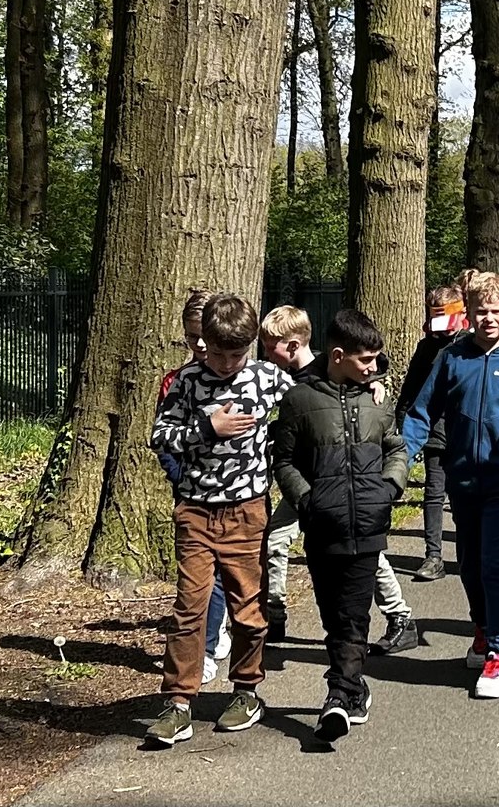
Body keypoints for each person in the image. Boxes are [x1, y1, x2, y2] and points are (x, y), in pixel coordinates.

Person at [145, 293, 293, 745]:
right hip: (195, 510)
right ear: (202, 342)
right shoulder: (187, 380)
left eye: (238, 354)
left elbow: (311, 400)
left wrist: (370, 386)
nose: (228, 363)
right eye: (219, 352)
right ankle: (177, 704)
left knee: (248, 610)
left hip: (247, 512)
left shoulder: (268, 378)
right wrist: (208, 429)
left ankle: (246, 690)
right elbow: (160, 434)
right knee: (188, 609)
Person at [403, 269, 499, 699]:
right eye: (480, 311)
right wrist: (400, 459)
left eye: (496, 311)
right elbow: (421, 411)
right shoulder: (452, 358)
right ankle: (482, 629)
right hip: (463, 482)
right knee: (468, 565)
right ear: (467, 314)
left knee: (495, 565)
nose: (488, 318)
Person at [271, 309, 408, 742]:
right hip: (323, 527)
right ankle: (355, 690)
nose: (373, 367)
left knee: (353, 616)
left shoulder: (376, 400)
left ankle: (337, 695)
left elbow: (398, 449)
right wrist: (307, 502)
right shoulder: (299, 401)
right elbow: (285, 461)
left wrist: (389, 489)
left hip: (368, 524)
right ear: (337, 355)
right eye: (366, 359)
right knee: (334, 617)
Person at [158, 293, 231, 686]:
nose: (200, 345)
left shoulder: (243, 376)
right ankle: (200, 648)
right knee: (198, 575)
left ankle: (217, 634)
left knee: (227, 573)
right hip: (191, 490)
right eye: (191, 337)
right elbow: (163, 439)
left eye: (205, 336)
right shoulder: (175, 381)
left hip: (236, 493)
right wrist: (181, 478)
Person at [396, 286, 464, 581]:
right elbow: (411, 388)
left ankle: (467, 553)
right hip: (435, 429)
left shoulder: (470, 345)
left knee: (464, 496)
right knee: (433, 493)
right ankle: (433, 555)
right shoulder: (426, 347)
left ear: (461, 314)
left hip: (464, 431)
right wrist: (402, 420)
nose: (441, 333)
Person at [256, 303, 314, 643]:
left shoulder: (323, 372)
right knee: (275, 542)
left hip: (326, 481)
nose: (265, 352)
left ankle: (399, 616)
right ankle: (275, 616)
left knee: (365, 552)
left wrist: (374, 386)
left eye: (270, 346)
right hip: (296, 483)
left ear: (292, 345)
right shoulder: (277, 377)